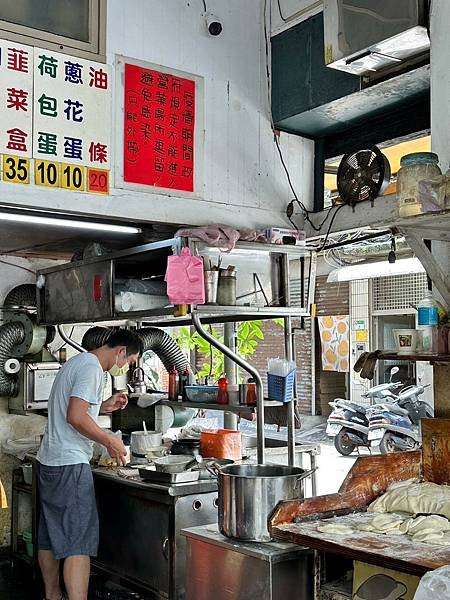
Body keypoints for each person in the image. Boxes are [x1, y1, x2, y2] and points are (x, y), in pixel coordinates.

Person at [36, 329, 143, 600]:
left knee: (50, 534)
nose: (126, 368)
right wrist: (109, 441)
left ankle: (52, 595)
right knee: (77, 543)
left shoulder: (78, 362)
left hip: (50, 461)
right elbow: (75, 416)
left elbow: (74, 409)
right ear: (120, 351)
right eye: (129, 362)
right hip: (69, 464)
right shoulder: (92, 369)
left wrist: (105, 406)